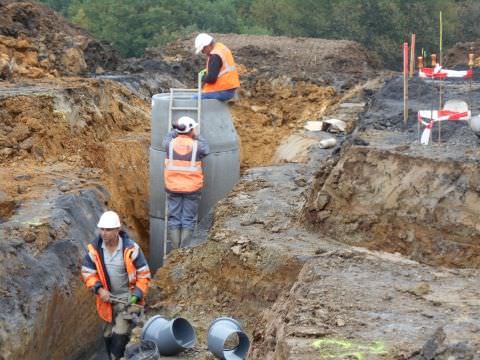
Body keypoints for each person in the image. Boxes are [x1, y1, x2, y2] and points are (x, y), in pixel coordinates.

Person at [81, 211, 151, 360]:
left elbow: (144, 274)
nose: (104, 233)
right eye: (102, 229)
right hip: (106, 301)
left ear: (117, 230)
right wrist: (99, 289)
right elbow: (88, 273)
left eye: (108, 230)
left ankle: (116, 356)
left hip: (126, 299)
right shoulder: (94, 251)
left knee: (119, 339)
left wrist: (136, 295)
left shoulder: (131, 249)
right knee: (107, 336)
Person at [162, 116, 209, 248]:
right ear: (191, 130)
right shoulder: (197, 145)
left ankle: (176, 249)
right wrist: (197, 136)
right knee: (188, 219)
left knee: (174, 219)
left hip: (173, 187)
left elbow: (165, 139)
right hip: (192, 189)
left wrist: (175, 131)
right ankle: (183, 252)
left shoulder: (169, 144)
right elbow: (206, 149)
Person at [194, 33, 240, 101]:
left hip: (223, 90)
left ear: (208, 45)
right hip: (229, 88)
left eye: (203, 50)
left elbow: (211, 79)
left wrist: (204, 78)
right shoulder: (220, 47)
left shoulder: (215, 56)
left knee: (195, 99)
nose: (203, 52)